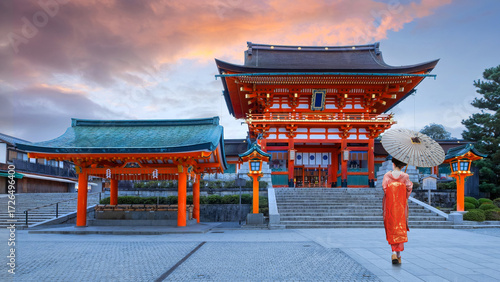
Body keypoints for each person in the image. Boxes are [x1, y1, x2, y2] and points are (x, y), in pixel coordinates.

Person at [382, 158, 413, 265]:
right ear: (402, 166)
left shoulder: (387, 175)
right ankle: (398, 255)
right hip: (401, 205)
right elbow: (409, 188)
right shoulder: (405, 176)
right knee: (401, 226)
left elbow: (385, 188)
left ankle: (394, 252)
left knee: (391, 226)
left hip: (390, 205)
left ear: (393, 164)